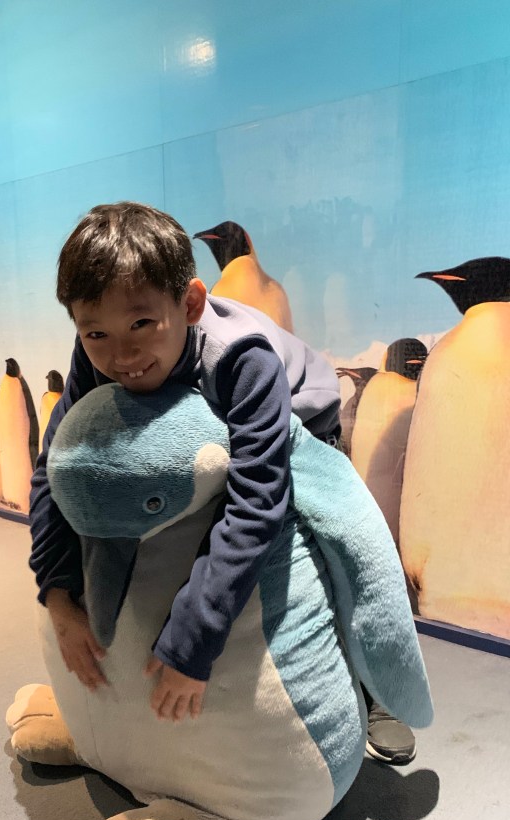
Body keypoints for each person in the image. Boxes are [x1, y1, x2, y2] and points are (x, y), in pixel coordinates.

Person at [29, 201, 415, 762]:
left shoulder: (243, 361)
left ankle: (373, 687)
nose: (122, 354)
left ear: (189, 304)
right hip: (205, 413)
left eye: (141, 324)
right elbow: (56, 466)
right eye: (96, 333)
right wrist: (57, 592)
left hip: (300, 420)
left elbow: (256, 503)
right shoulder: (96, 359)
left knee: (323, 547)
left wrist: (194, 639)